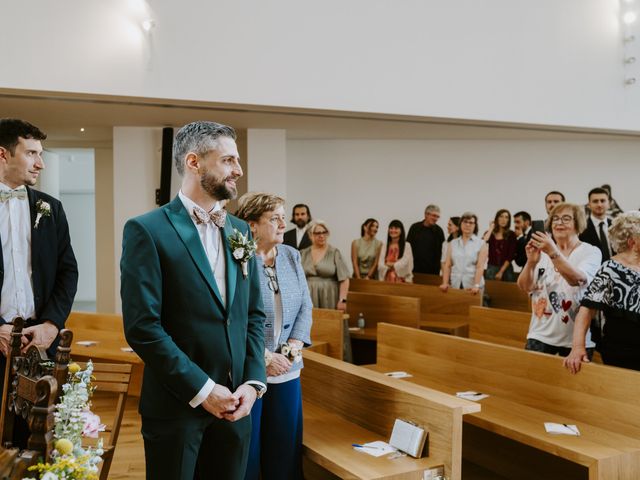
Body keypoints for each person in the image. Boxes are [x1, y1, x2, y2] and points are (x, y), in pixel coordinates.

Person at [120, 121, 266, 480]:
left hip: (236, 408)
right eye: (229, 160)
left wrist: (252, 383)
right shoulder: (147, 230)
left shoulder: (240, 231)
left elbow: (253, 314)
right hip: (176, 409)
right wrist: (203, 390)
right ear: (194, 162)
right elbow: (143, 328)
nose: (239, 170)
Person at [236, 193, 312, 480]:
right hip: (250, 371)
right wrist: (265, 357)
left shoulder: (291, 255)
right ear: (252, 225)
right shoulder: (238, 258)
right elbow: (235, 317)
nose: (283, 224)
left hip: (288, 370)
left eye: (284, 216)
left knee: (284, 449)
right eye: (274, 218)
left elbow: (306, 304)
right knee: (250, 452)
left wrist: (293, 347)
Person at [0, 118, 78, 372]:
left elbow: (68, 272)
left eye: (40, 154)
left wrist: (52, 324)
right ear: (3, 154)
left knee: (40, 413)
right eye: (31, 153)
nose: (40, 164)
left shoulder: (51, 209)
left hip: (39, 343)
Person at [517, 203, 601, 358]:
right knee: (534, 380)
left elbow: (577, 279)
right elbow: (525, 286)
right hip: (539, 335)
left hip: (575, 341)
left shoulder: (590, 251)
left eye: (566, 218)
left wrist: (552, 252)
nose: (558, 223)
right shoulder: (541, 252)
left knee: (573, 383)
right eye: (555, 219)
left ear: (578, 223)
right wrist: (531, 262)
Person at [564, 211, 640, 373]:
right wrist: (578, 347)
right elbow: (586, 310)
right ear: (632, 242)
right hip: (623, 352)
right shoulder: (610, 269)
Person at [301, 220, 349, 311]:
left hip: (329, 295)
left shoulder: (334, 252)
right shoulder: (303, 253)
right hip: (308, 296)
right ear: (311, 235)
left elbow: (344, 279)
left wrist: (342, 300)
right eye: (318, 233)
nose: (322, 236)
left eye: (324, 232)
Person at [440, 212, 488, 295]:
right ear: (460, 224)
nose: (468, 225)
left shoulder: (481, 244)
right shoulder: (452, 243)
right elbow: (447, 265)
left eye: (471, 223)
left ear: (475, 226)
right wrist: (445, 282)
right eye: (465, 222)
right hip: (456, 283)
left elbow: (480, 266)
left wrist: (476, 285)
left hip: (473, 286)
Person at [407, 204, 445, 275]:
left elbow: (442, 252)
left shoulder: (439, 231)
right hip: (414, 270)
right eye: (434, 215)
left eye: (437, 217)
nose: (436, 219)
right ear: (426, 214)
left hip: (432, 272)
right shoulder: (414, 228)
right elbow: (407, 249)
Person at [579, 187, 614, 263]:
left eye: (602, 201)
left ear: (609, 203)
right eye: (595, 201)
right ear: (589, 204)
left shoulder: (616, 226)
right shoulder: (581, 228)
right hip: (592, 271)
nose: (599, 204)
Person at [483, 209, 517, 282]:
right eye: (501, 216)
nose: (503, 219)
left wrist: (501, 271)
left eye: (506, 217)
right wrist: (491, 228)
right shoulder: (490, 233)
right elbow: (483, 242)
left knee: (508, 291)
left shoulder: (511, 234)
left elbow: (511, 255)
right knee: (490, 291)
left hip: (506, 268)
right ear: (497, 218)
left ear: (509, 220)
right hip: (491, 267)